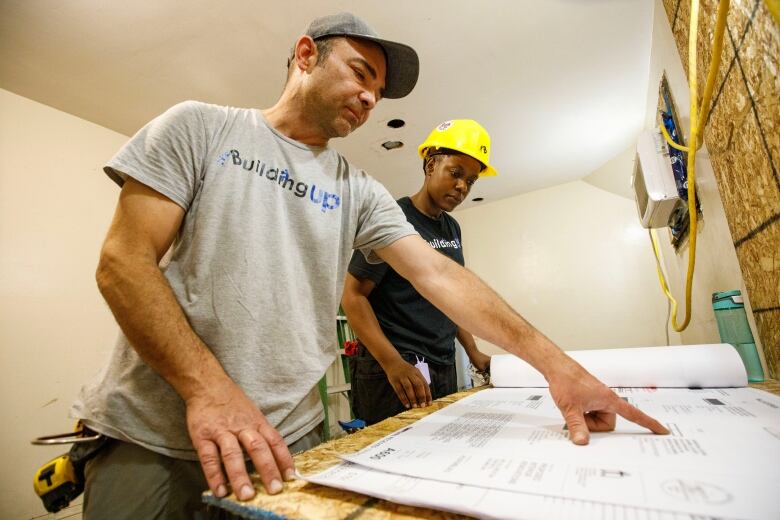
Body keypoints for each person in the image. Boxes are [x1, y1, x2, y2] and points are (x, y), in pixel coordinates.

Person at [70, 11, 667, 519]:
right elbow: (124, 262)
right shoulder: (201, 127)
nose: (370, 98)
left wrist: (557, 368)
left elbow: (438, 276)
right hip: (152, 433)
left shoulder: (357, 189)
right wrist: (209, 388)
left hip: (286, 438)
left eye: (379, 91)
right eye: (361, 74)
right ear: (306, 55)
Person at [343, 119, 494, 424]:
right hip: (397, 369)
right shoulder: (393, 218)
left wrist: (473, 351)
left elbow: (451, 297)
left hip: (441, 363)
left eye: (471, 181)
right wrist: (392, 363)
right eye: (455, 173)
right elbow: (352, 295)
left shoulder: (452, 228)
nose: (462, 186)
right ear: (430, 166)